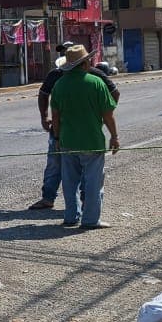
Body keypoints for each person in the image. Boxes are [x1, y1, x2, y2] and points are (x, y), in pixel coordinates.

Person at [29, 43, 119, 210]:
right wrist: (44, 118)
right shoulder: (57, 76)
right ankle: (55, 200)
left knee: (72, 171)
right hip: (66, 131)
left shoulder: (94, 76)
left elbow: (114, 93)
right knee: (68, 167)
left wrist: (98, 112)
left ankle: (76, 209)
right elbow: (43, 95)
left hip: (65, 132)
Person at [50, 44, 120, 229]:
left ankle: (71, 216)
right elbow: (108, 115)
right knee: (93, 183)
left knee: (70, 182)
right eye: (87, 60)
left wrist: (56, 139)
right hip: (92, 141)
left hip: (67, 141)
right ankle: (90, 220)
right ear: (83, 63)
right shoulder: (95, 83)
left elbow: (55, 116)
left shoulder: (59, 85)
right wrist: (114, 137)